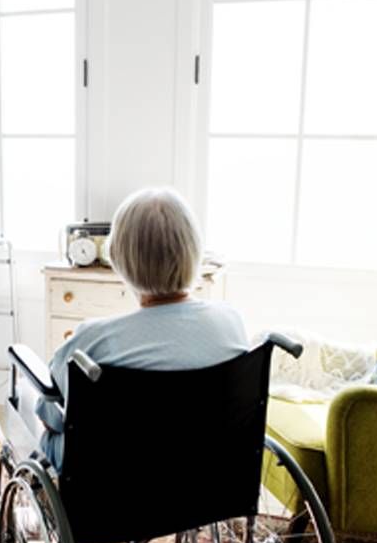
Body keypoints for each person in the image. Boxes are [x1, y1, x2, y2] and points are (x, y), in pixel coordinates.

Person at [34, 187, 249, 471]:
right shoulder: (230, 322)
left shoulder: (92, 341)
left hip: (117, 474)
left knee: (39, 414)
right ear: (194, 252)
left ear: (119, 258)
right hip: (207, 471)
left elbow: (54, 411)